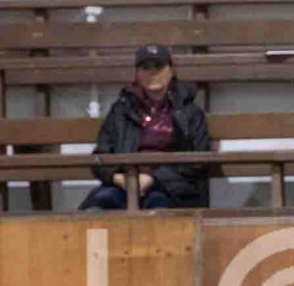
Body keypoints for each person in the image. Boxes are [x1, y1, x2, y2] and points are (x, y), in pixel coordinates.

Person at [82, 45, 212, 212]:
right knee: (97, 206)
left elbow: (199, 160)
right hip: (124, 185)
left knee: (158, 208)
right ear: (137, 73)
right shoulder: (121, 109)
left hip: (172, 188)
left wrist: (153, 178)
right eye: (145, 67)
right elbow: (101, 155)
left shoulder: (190, 112)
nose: (152, 73)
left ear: (171, 71)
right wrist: (120, 179)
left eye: (158, 66)